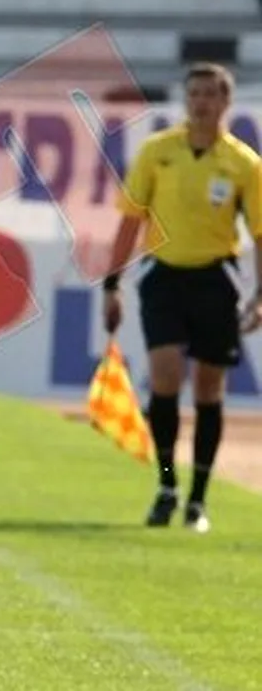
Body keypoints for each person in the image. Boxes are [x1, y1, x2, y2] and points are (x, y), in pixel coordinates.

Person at [104, 61, 262, 533]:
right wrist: (112, 284)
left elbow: (259, 232)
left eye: (209, 94)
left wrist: (258, 296)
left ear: (225, 103)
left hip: (216, 278)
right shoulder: (157, 151)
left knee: (210, 389)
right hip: (164, 277)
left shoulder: (243, 164)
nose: (200, 102)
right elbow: (130, 220)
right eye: (193, 93)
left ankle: (198, 498)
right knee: (165, 376)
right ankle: (167, 484)